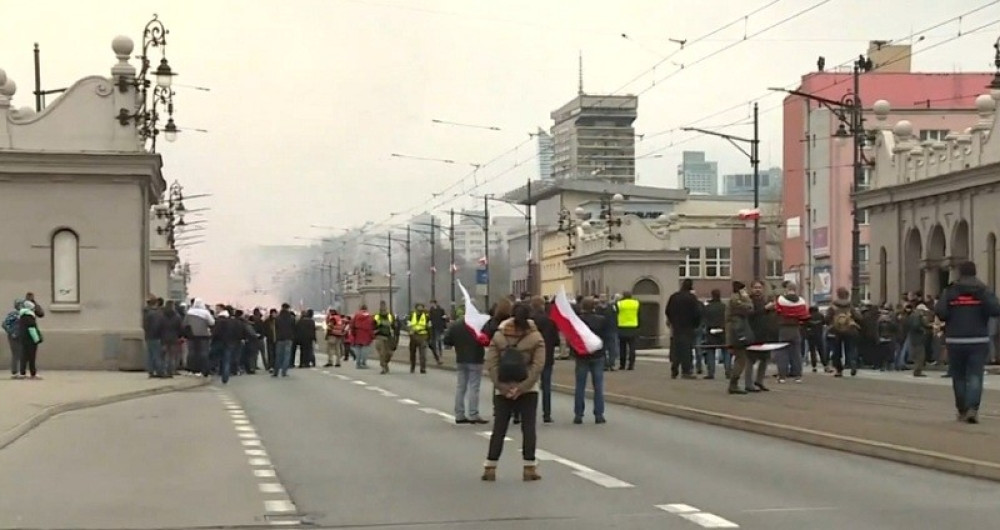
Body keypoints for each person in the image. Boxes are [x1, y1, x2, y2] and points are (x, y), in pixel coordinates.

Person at [482, 303, 545, 482]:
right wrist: (523, 387)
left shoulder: (499, 336)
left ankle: (490, 467)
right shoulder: (535, 337)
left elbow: (491, 363)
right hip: (528, 389)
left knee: (499, 428)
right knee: (529, 428)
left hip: (502, 389)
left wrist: (502, 386)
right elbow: (538, 365)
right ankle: (529, 468)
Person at [935, 261, 1000, 423]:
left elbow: (941, 312)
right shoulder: (983, 290)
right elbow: (995, 309)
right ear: (975, 272)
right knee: (975, 375)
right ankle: (973, 408)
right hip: (978, 339)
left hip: (955, 339)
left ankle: (962, 409)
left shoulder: (951, 291)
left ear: (960, 273)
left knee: (958, 376)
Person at [443, 312, 488, 424]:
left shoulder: (456, 325)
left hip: (461, 358)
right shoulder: (478, 325)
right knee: (474, 387)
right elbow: (486, 339)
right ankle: (473, 414)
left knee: (461, 387)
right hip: (475, 358)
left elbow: (447, 340)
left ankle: (459, 414)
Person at [573, 297, 608, 424]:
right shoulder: (601, 320)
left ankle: (578, 414)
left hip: (582, 356)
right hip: (597, 355)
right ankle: (599, 414)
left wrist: (575, 352)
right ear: (594, 307)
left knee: (580, 386)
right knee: (598, 386)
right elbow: (605, 337)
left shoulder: (578, 321)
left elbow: (573, 338)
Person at [529, 296, 559, 423]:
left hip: (530, 357)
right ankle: (546, 414)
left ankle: (525, 413)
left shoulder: (528, 321)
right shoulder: (550, 321)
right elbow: (556, 341)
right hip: (546, 356)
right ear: (542, 306)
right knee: (546, 386)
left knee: (528, 385)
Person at [773, 281, 810, 383]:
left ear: (786, 289)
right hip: (795, 328)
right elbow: (805, 316)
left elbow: (777, 311)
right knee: (796, 353)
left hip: (784, 328)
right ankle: (798, 376)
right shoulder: (801, 302)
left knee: (782, 353)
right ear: (795, 290)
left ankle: (782, 376)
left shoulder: (780, 300)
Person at [665, 278, 702, 379]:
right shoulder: (692, 298)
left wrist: (672, 320)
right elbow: (697, 313)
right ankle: (686, 371)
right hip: (688, 326)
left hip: (676, 326)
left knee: (676, 348)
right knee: (687, 349)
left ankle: (674, 369)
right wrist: (695, 324)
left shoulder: (674, 297)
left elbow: (668, 310)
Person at [701, 289, 728, 380]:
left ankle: (711, 373)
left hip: (710, 330)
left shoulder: (708, 307)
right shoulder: (724, 306)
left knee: (710, 352)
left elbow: (704, 319)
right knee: (725, 351)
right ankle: (728, 371)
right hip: (722, 330)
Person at [17, 300, 42, 379]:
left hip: (23, 339)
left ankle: (22, 372)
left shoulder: (22, 316)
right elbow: (32, 329)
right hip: (30, 340)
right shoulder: (29, 316)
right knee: (31, 357)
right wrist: (37, 339)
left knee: (24, 356)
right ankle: (33, 373)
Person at [616, 291, 640, 370]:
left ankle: (622, 364)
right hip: (633, 326)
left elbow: (616, 314)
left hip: (622, 326)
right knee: (632, 347)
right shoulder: (636, 303)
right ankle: (631, 364)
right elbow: (639, 314)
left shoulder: (620, 304)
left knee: (622, 347)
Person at [408, 303, 432, 373]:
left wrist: (429, 338)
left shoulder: (426, 317)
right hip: (413, 336)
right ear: (416, 309)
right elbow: (408, 325)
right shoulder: (412, 315)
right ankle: (412, 366)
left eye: (421, 308)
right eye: (419, 308)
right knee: (412, 353)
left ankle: (423, 368)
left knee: (423, 354)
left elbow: (429, 327)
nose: (420, 310)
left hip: (423, 336)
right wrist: (410, 332)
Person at [372, 303, 396, 374]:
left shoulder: (390, 316)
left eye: (384, 308)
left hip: (389, 337)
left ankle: (385, 363)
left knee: (389, 353)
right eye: (382, 308)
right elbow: (373, 325)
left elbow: (394, 326)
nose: (383, 309)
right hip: (379, 336)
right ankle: (383, 367)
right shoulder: (376, 316)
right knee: (382, 353)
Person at [274, 303, 296, 377]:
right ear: (288, 308)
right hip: (288, 338)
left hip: (280, 338)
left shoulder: (277, 318)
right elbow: (294, 328)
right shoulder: (292, 318)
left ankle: (276, 372)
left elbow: (276, 328)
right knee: (287, 355)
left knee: (278, 356)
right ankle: (284, 372)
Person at [352, 304, 377, 370]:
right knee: (365, 349)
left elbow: (352, 325)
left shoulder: (356, 315)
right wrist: (372, 336)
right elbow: (371, 327)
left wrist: (353, 333)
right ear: (366, 309)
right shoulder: (369, 317)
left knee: (358, 349)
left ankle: (358, 363)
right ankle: (363, 363)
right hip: (366, 335)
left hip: (358, 334)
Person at [4, 299, 23, 379]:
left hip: (21, 336)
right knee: (16, 354)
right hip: (14, 336)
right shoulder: (13, 314)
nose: (22, 306)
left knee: (21, 353)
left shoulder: (23, 314)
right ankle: (14, 372)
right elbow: (4, 324)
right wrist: (11, 332)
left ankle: (20, 371)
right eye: (20, 304)